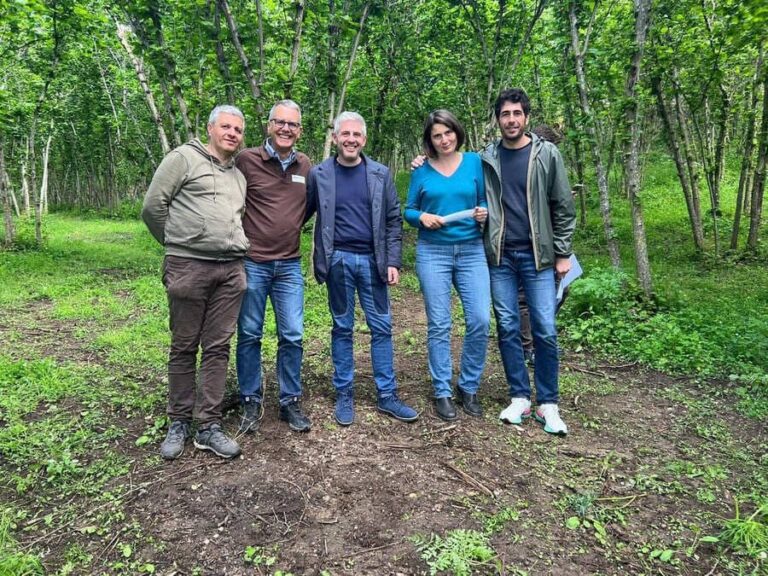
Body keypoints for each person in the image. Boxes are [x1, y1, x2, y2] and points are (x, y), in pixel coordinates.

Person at [142, 104, 248, 460]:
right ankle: (178, 421)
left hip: (230, 270)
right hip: (189, 268)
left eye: (238, 129)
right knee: (184, 345)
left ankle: (209, 425)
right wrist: (178, 245)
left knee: (218, 347)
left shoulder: (237, 174)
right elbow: (153, 207)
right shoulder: (183, 159)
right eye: (227, 127)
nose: (233, 133)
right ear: (211, 128)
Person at [305, 112, 418, 426]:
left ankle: (387, 395)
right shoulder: (320, 174)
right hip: (338, 260)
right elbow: (301, 212)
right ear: (336, 138)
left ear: (364, 140)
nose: (351, 139)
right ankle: (344, 394)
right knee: (342, 328)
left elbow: (394, 220)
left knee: (381, 327)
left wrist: (393, 260)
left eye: (356, 135)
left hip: (373, 261)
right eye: (345, 134)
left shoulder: (380, 174)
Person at [483, 89, 576, 435]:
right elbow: (454, 169)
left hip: (540, 257)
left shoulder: (546, 155)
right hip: (501, 256)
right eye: (505, 114)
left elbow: (563, 206)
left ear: (526, 118)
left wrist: (563, 252)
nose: (511, 120)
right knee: (507, 327)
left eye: (517, 113)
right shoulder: (487, 157)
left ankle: (548, 404)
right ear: (498, 119)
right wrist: (422, 160)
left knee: (545, 329)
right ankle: (519, 397)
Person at [405, 110, 490, 422]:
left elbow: (486, 200)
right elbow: (409, 210)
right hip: (432, 253)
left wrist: (484, 213)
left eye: (448, 133)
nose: (444, 140)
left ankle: (469, 385)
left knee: (480, 319)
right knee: (439, 324)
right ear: (430, 140)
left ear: (457, 132)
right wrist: (421, 218)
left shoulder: (474, 164)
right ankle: (442, 389)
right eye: (437, 136)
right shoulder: (421, 170)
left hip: (471, 250)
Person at [235, 100, 313, 434]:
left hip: (290, 266)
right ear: (268, 125)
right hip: (253, 263)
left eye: (292, 124)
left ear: (300, 130)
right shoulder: (246, 160)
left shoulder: (305, 165)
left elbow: (307, 208)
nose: (285, 128)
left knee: (292, 334)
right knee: (250, 333)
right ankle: (250, 400)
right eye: (279, 122)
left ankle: (289, 401)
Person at [519, 124, 565, 365]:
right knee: (523, 298)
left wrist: (563, 251)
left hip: (549, 244)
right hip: (524, 245)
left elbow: (561, 208)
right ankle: (527, 346)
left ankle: (536, 341)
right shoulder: (522, 165)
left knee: (560, 290)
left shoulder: (549, 167)